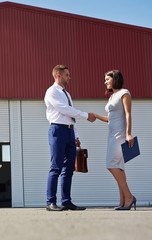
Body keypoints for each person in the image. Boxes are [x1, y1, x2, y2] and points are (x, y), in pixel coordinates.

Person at [44, 65, 96, 211]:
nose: (69, 77)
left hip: (69, 131)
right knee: (56, 167)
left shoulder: (67, 94)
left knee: (69, 169)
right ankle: (51, 202)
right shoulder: (52, 92)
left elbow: (71, 116)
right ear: (58, 75)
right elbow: (64, 110)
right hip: (58, 130)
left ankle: (66, 201)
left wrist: (76, 135)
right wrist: (86, 116)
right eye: (67, 75)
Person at [93, 70, 136, 210]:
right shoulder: (112, 97)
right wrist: (95, 116)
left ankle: (129, 197)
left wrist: (129, 134)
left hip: (120, 135)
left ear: (115, 79)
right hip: (112, 135)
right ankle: (123, 201)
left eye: (107, 79)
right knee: (119, 168)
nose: (105, 82)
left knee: (111, 165)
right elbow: (110, 119)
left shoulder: (124, 93)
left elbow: (128, 114)